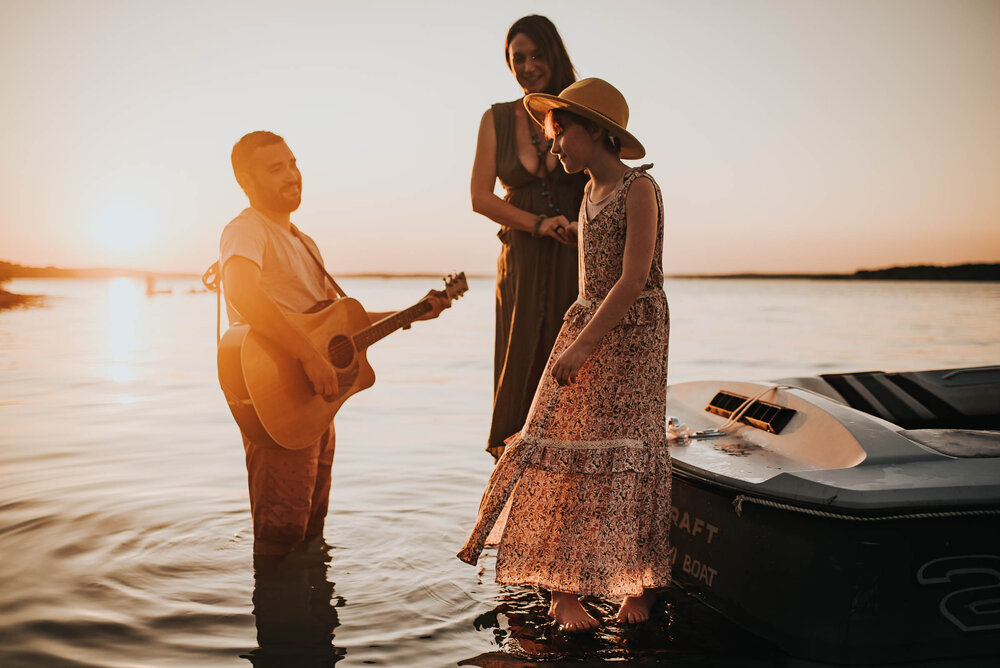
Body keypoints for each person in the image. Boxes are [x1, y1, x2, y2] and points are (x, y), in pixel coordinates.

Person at [458, 79, 671, 632]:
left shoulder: (639, 189)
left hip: (633, 334)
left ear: (596, 132)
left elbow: (631, 280)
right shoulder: (587, 193)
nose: (554, 147)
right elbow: (591, 276)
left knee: (631, 451)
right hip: (589, 321)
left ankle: (636, 582)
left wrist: (582, 345)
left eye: (561, 134)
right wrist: (574, 334)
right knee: (559, 441)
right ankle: (561, 588)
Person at [219, 130, 450, 557]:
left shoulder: (305, 243)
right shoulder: (246, 230)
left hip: (316, 406)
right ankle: (279, 617)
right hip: (280, 400)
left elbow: (337, 327)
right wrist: (308, 357)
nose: (292, 175)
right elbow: (242, 293)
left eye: (293, 163)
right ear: (246, 182)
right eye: (275, 168)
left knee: (310, 534)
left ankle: (314, 619)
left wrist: (413, 311)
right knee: (279, 539)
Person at [471, 15, 588, 461]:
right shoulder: (497, 118)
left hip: (575, 254)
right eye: (517, 58)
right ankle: (512, 477)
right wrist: (538, 223)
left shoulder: (581, 113)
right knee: (519, 364)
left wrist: (581, 227)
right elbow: (480, 198)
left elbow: (604, 180)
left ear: (554, 54)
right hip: (521, 258)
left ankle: (569, 479)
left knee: (571, 365)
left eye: (536, 55)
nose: (527, 66)